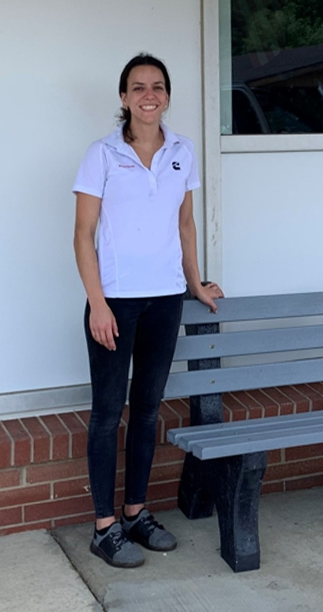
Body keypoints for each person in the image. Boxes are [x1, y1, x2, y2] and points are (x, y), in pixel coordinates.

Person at [73, 53, 224, 568]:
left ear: (166, 95)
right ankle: (104, 526)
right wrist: (97, 303)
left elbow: (185, 225)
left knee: (147, 411)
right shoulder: (102, 154)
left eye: (157, 86)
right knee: (107, 413)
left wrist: (195, 284)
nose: (148, 95)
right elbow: (83, 234)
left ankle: (135, 512)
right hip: (114, 301)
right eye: (138, 87)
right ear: (123, 98)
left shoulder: (182, 152)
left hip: (164, 301)